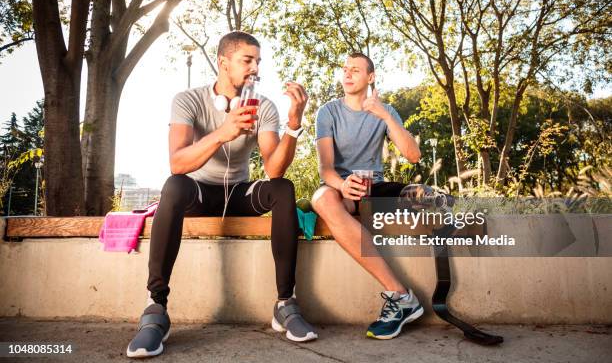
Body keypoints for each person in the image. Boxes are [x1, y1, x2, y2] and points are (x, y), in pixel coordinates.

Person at [127, 31, 317, 358]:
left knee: (283, 189)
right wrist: (223, 132)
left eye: (258, 61)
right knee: (173, 185)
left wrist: (293, 125)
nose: (255, 67)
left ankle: (285, 304)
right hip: (198, 194)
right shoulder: (188, 100)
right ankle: (155, 308)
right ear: (223, 62)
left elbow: (274, 170)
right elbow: (177, 162)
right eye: (247, 60)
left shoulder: (264, 107)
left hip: (240, 195)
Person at [311, 52, 424, 340]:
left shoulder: (384, 111)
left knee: (422, 195)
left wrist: (384, 114)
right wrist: (342, 184)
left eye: (355, 70)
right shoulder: (328, 112)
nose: (347, 74)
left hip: (374, 187)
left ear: (370, 77)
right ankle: (400, 295)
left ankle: (434, 202)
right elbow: (325, 168)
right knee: (322, 199)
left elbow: (413, 156)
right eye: (345, 69)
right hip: (340, 187)